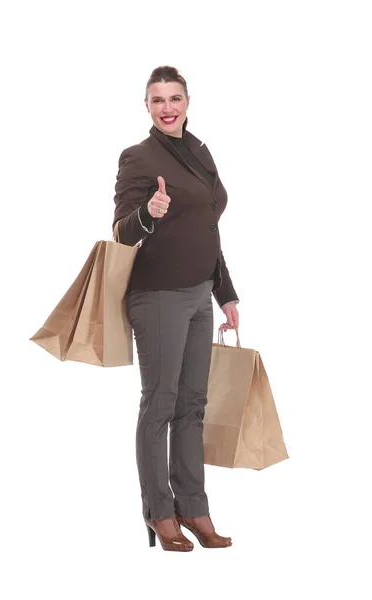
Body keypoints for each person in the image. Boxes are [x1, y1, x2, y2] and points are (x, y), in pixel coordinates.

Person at [112, 66, 239, 551]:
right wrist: (149, 213)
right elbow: (121, 232)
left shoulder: (200, 151)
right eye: (157, 99)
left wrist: (224, 292)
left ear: (188, 102)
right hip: (158, 294)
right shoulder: (138, 158)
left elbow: (210, 227)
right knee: (161, 403)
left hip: (199, 292)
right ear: (146, 106)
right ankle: (159, 513)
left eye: (175, 98)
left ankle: (193, 506)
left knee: (193, 406)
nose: (167, 107)